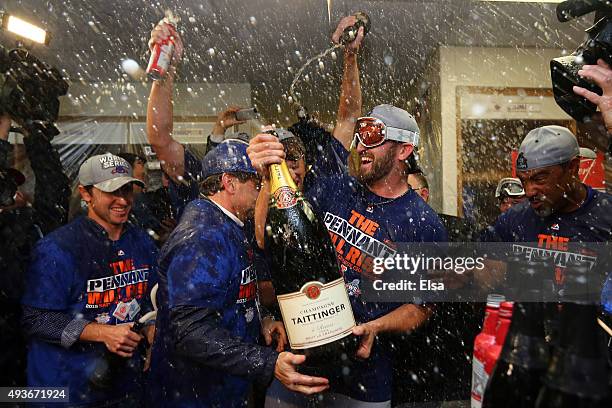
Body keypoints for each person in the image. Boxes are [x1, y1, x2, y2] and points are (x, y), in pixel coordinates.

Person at [248, 104, 447, 407]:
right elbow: (264, 236)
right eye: (360, 136)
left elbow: (421, 306)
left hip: (364, 378)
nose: (362, 146)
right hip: (299, 366)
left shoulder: (423, 224)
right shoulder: (337, 189)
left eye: (374, 137)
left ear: (404, 150)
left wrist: (377, 326)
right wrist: (267, 178)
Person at [148, 140, 329, 407]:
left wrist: (262, 319)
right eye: (256, 183)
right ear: (229, 183)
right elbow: (188, 330)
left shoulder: (226, 224)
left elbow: (229, 295)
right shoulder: (203, 237)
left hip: (224, 388)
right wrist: (267, 362)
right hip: (195, 395)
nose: (261, 191)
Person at [21, 153, 157, 406]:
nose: (123, 200)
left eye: (127, 189)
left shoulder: (142, 242)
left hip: (124, 386)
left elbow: (151, 299)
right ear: (86, 194)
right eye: (111, 191)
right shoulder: (58, 248)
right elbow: (36, 319)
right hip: (65, 388)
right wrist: (101, 332)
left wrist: (151, 328)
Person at [0, 113, 70, 387]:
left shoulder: (29, 225)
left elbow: (55, 193)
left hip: (32, 347)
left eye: (10, 187)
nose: (10, 194)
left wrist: (37, 140)